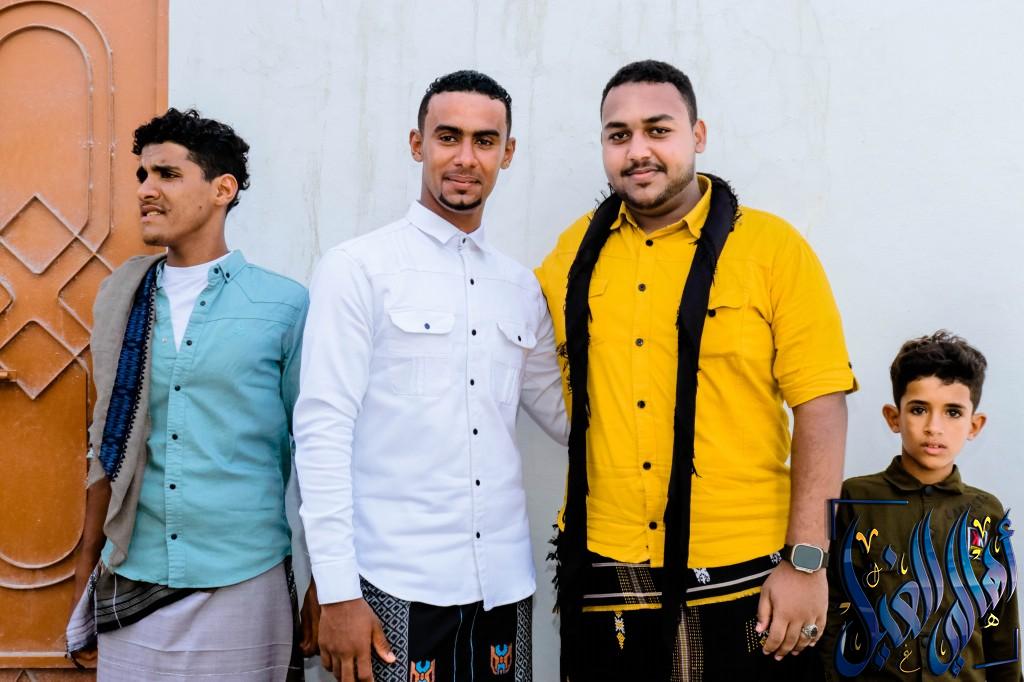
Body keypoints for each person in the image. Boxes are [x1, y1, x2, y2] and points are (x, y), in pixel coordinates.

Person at [535, 60, 857, 681]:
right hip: (608, 566)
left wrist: (807, 561)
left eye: (658, 130)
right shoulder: (571, 255)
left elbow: (821, 404)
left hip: (750, 569)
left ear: (698, 135)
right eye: (619, 135)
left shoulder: (771, 250)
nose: (638, 150)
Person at [294, 70, 567, 682]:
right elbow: (321, 432)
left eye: (484, 141)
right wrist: (337, 589)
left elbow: (566, 416)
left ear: (507, 153)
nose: (466, 158)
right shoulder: (357, 268)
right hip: (391, 584)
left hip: (502, 587)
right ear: (417, 144)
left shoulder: (521, 288)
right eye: (448, 137)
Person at [66, 108, 310, 680]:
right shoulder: (122, 297)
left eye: (168, 175)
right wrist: (84, 579)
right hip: (134, 575)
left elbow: (316, 451)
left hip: (244, 575)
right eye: (143, 176)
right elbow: (108, 446)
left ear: (223, 189)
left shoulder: (283, 305)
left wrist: (326, 583)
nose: (146, 190)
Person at [820, 331, 1020, 681]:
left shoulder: (985, 513)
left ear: (974, 425)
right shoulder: (854, 500)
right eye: (918, 409)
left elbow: (1001, 624)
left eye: (953, 412)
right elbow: (833, 612)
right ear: (893, 417)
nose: (933, 427)